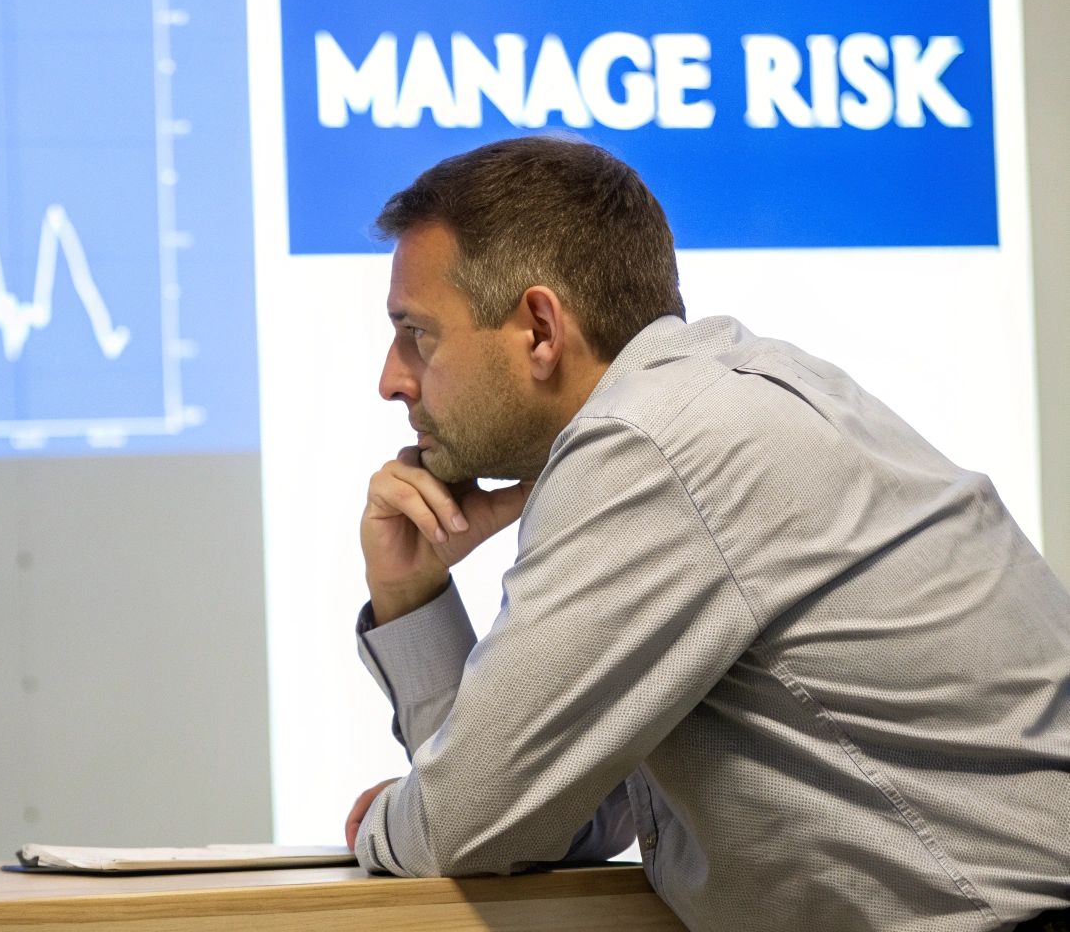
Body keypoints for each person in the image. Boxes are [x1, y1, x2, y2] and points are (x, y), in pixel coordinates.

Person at [340, 136, 1070, 932]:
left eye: (418, 333)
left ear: (541, 330)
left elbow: (460, 825)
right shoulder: (714, 398)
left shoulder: (650, 444)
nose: (392, 379)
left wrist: (393, 817)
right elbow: (549, 817)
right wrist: (413, 598)